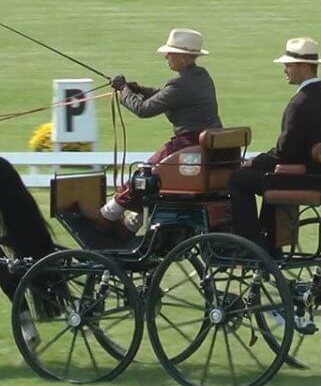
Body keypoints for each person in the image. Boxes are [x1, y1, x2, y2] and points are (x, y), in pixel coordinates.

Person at [90, 28, 222, 236]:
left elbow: (144, 110)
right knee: (154, 179)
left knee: (145, 174)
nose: (166, 57)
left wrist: (124, 90)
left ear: (183, 57)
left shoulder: (179, 84)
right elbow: (164, 95)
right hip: (204, 147)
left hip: (188, 146)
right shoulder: (200, 77)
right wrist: (138, 89)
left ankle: (109, 213)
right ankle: (133, 222)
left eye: (170, 53)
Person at [229, 37, 321, 253]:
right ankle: (269, 238)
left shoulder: (300, 102)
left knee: (238, 179)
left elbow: (285, 152)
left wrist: (255, 161)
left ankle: (249, 243)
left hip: (303, 178)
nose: (284, 70)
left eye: (288, 65)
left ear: (303, 66)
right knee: (264, 174)